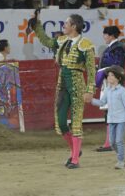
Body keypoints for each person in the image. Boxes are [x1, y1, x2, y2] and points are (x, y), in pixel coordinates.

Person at [28, 13, 96, 169]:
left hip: (77, 84)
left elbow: (91, 70)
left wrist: (90, 90)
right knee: (60, 122)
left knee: (76, 122)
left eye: (66, 23)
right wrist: (37, 25)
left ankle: (75, 160)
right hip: (63, 84)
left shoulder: (86, 44)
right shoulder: (62, 41)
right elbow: (46, 40)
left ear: (74, 26)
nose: (63, 25)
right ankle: (75, 152)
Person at [95, 26, 125, 152]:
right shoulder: (112, 48)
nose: (104, 37)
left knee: (111, 113)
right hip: (109, 82)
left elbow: (117, 67)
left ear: (111, 35)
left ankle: (108, 143)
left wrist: (103, 71)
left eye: (105, 34)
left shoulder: (118, 48)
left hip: (113, 83)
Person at [91, 65, 125, 169]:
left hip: (121, 119)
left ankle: (121, 161)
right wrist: (91, 100)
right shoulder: (107, 90)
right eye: (108, 76)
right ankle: (121, 156)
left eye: (111, 75)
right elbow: (102, 102)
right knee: (112, 142)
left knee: (119, 140)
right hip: (111, 119)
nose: (108, 77)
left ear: (118, 78)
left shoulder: (122, 91)